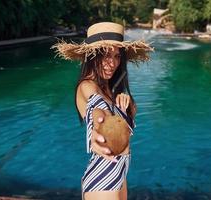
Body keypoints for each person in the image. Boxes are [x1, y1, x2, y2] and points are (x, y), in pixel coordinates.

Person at [53, 22, 153, 200]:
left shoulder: (111, 89)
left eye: (116, 56)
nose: (112, 63)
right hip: (103, 180)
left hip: (119, 175)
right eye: (105, 55)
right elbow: (98, 110)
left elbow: (129, 115)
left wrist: (127, 104)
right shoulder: (87, 86)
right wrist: (100, 127)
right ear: (92, 56)